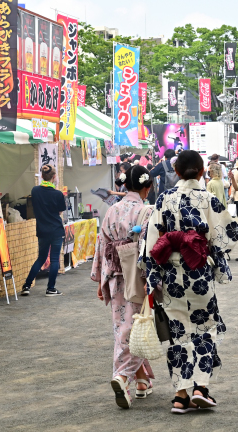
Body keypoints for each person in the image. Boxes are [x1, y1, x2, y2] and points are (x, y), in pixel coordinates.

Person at [144, 150, 238, 414]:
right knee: (205, 327)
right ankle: (201, 387)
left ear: (176, 172)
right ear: (202, 172)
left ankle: (180, 395)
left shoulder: (164, 198)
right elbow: (230, 233)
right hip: (198, 270)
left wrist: (152, 277)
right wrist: (209, 246)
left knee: (176, 331)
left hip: (171, 273)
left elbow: (150, 242)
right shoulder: (207, 198)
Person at [91, 165, 155, 409]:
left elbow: (102, 243)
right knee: (139, 326)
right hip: (139, 276)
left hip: (115, 276)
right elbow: (153, 246)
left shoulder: (112, 210)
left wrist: (100, 279)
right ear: (146, 188)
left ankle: (141, 382)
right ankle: (122, 376)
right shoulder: (147, 211)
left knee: (123, 326)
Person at [21, 165, 67, 296]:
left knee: (41, 258)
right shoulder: (58, 194)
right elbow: (59, 211)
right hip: (56, 230)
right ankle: (50, 288)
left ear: (41, 176)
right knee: (54, 260)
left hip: (42, 229)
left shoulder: (35, 190)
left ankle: (26, 286)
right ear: (54, 177)